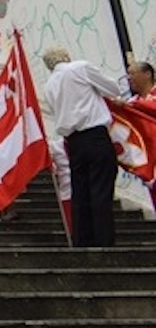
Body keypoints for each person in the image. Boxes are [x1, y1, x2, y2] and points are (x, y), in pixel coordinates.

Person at [42, 46, 121, 248]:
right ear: (66, 57)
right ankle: (104, 239)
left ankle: (83, 239)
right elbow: (113, 89)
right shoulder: (80, 68)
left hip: (73, 142)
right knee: (101, 189)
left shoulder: (49, 85)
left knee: (81, 191)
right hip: (94, 134)